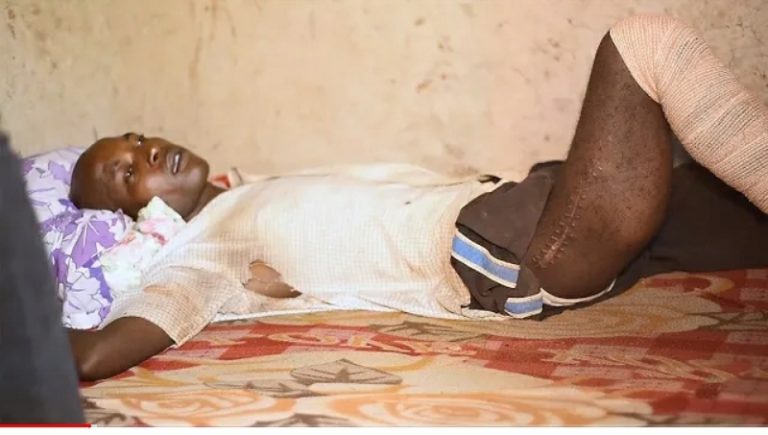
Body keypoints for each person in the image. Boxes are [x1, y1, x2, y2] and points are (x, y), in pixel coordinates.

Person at [67, 15, 768, 381]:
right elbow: (99, 353)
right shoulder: (196, 252)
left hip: (528, 198)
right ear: (128, 219)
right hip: (509, 247)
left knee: (731, 199)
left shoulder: (245, 194)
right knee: (643, 45)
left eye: (137, 138)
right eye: (126, 173)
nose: (146, 151)